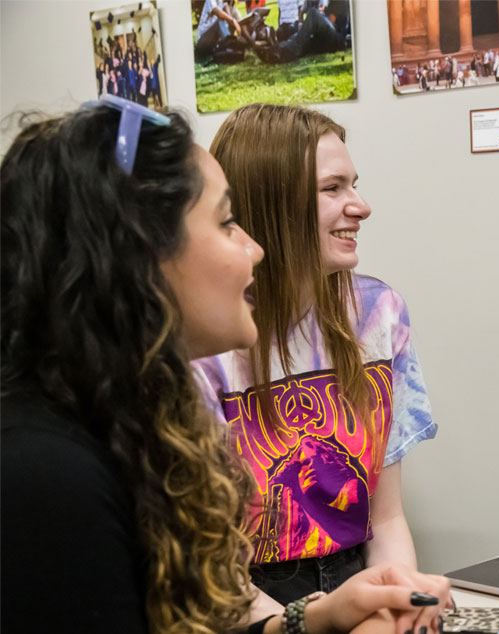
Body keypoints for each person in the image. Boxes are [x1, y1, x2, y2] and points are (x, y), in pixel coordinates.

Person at [0, 99, 451, 633]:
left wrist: (324, 621)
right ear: (139, 254)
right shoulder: (47, 471)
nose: (254, 249)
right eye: (227, 222)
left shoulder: (118, 421)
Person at [198, 104, 439, 606]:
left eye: (354, 184)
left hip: (354, 579)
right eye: (333, 189)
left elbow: (387, 518)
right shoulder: (203, 345)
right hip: (244, 598)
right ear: (272, 204)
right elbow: (202, 561)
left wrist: (400, 608)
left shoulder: (377, 315)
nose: (361, 206)